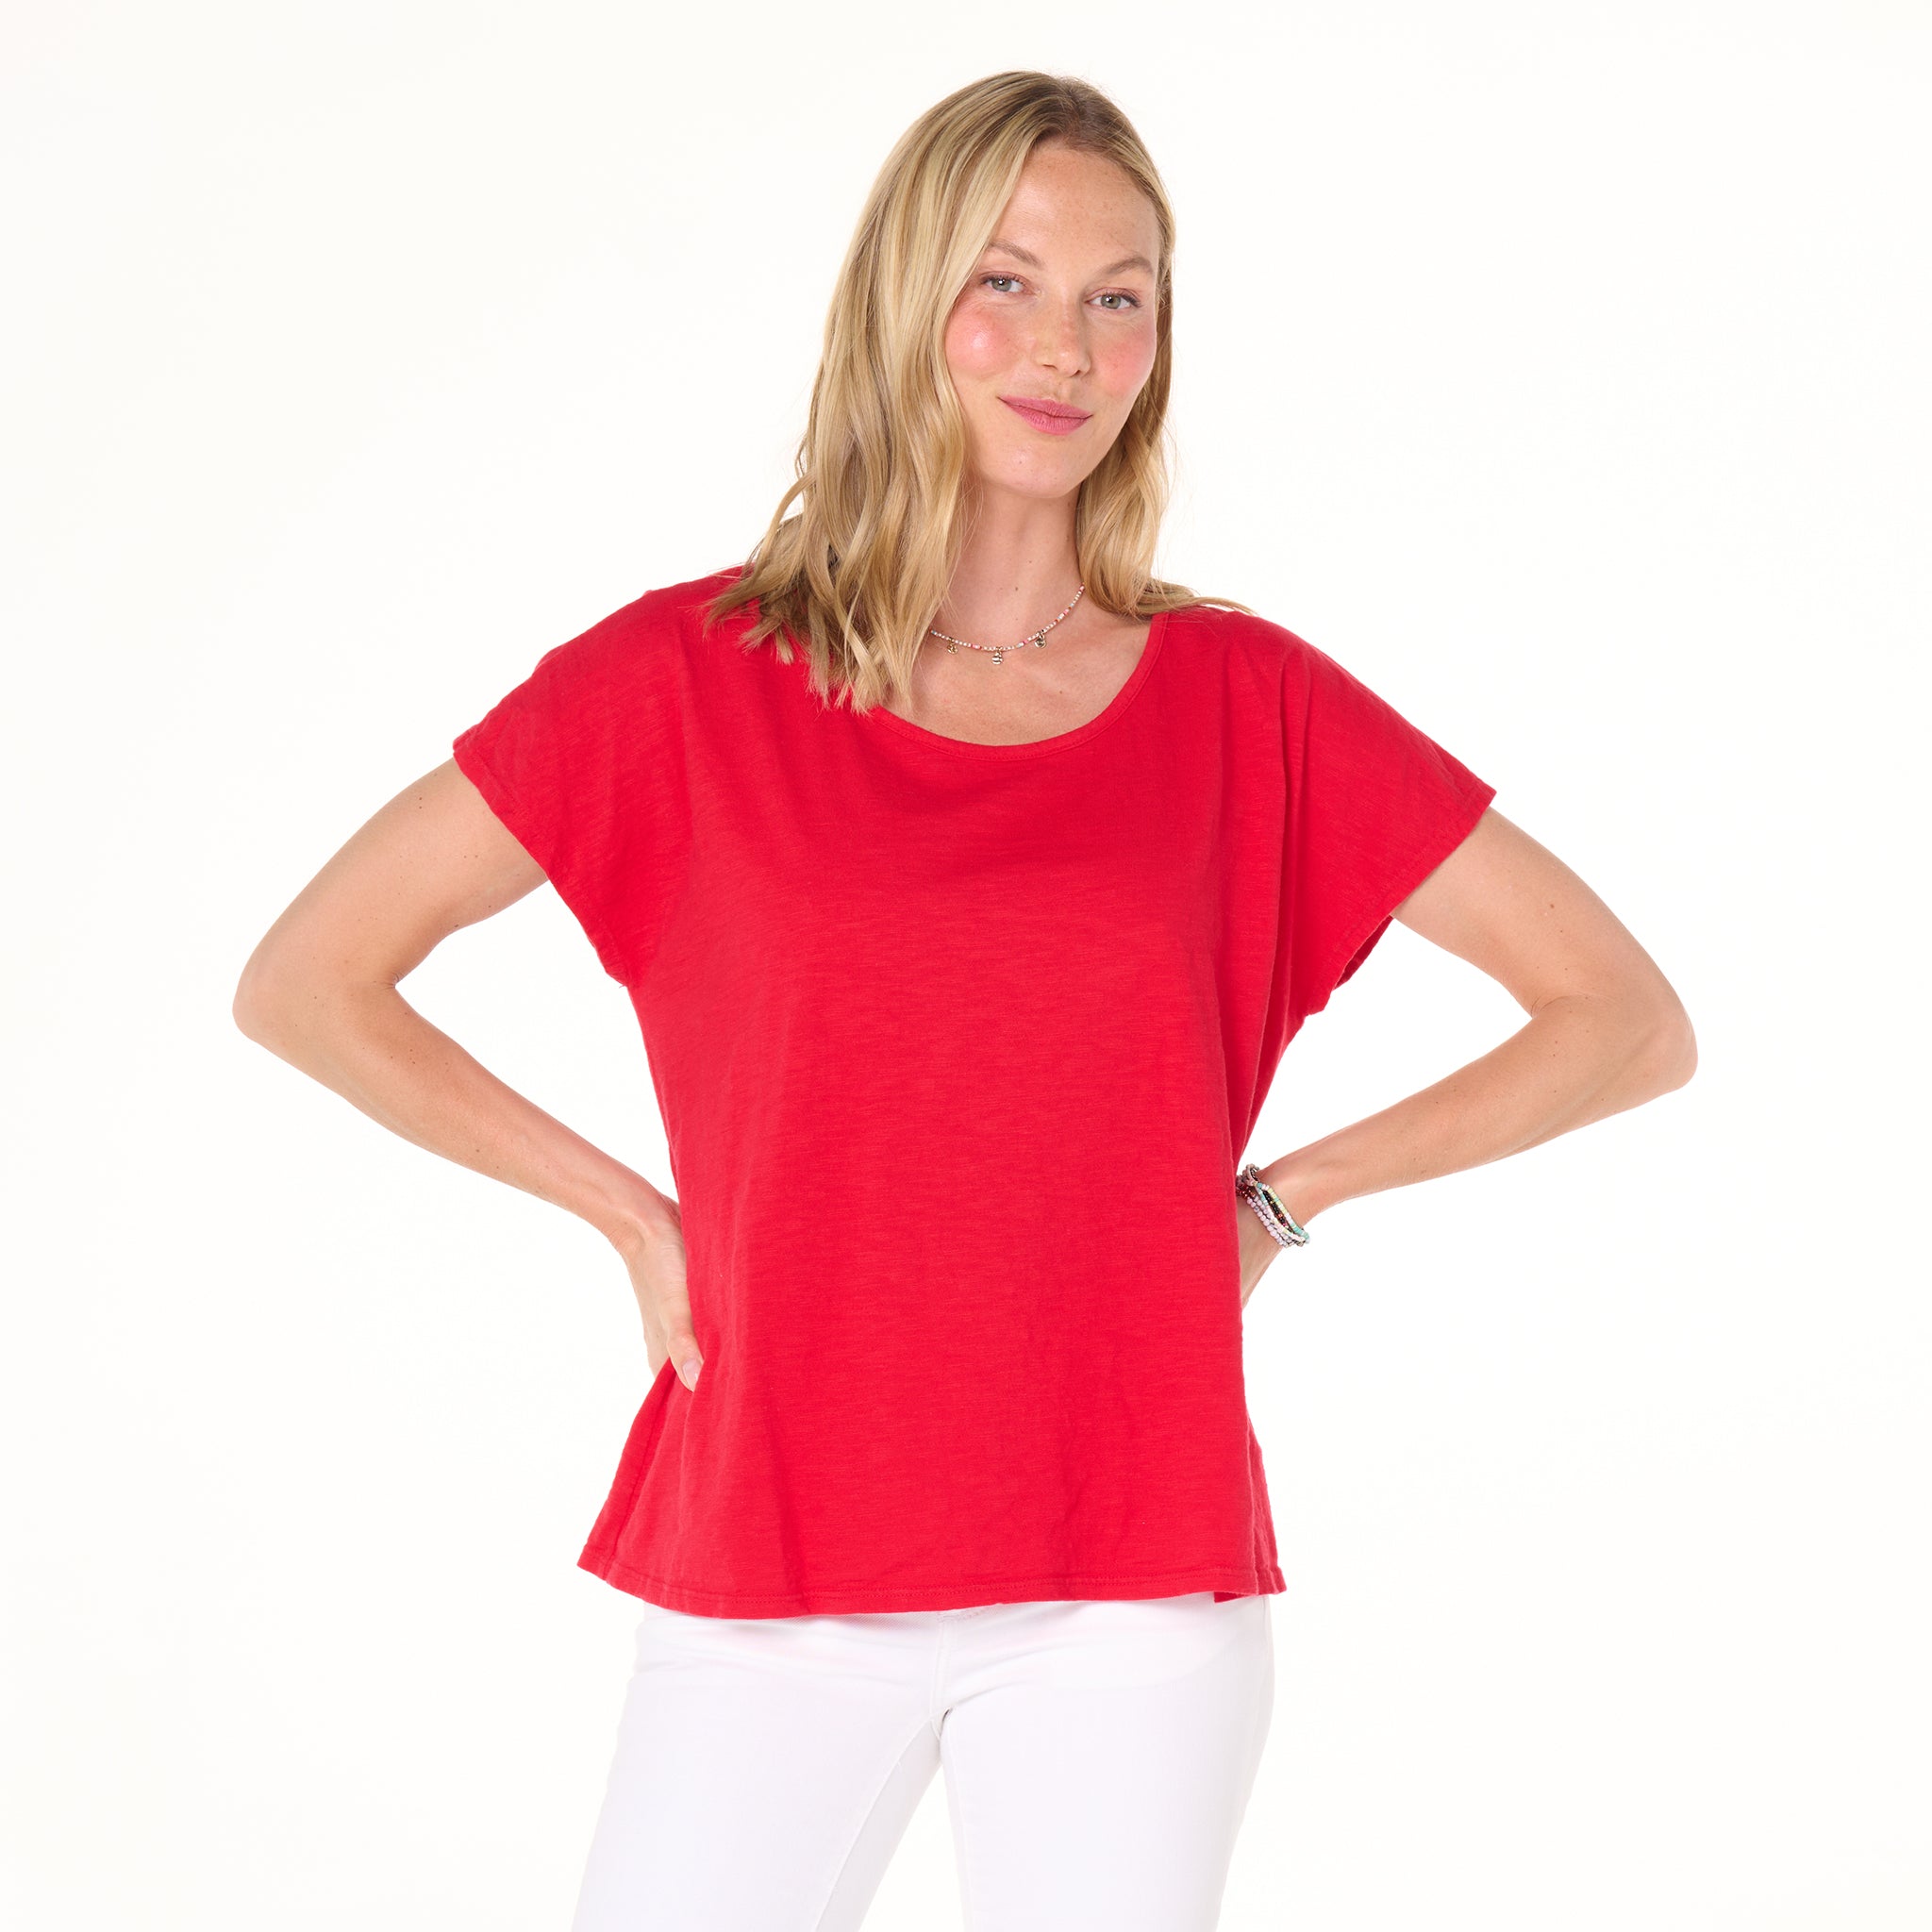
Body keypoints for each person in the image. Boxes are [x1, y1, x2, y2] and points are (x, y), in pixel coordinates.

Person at [233, 68, 1695, 1932]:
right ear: (905, 298)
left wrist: (1274, 1201)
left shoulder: (1244, 701)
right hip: (776, 1553)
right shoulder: (683, 679)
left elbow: (1621, 1016)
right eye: (1006, 281)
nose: (1066, 347)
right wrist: (631, 1213)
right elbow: (310, 978)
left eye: (1118, 296)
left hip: (1129, 1581)